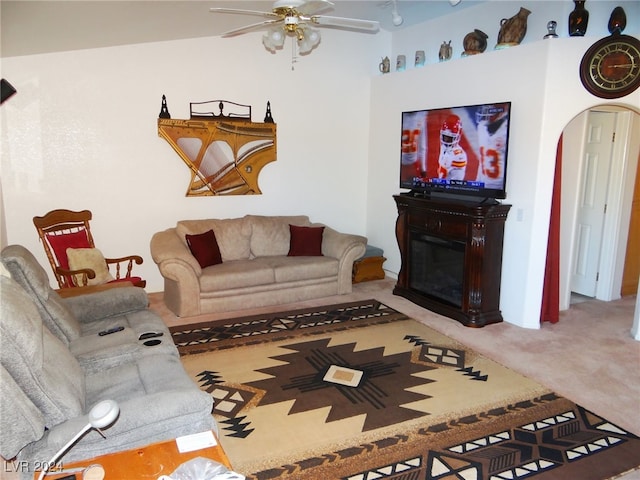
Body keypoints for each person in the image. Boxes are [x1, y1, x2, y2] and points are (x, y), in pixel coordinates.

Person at [476, 105, 508, 189]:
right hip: (483, 186)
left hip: (498, 188)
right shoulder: (481, 127)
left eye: (490, 110)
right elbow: (482, 161)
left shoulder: (506, 132)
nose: (486, 113)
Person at [437, 114, 467, 180]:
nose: (446, 141)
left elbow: (456, 184)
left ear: (457, 137)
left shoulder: (459, 156)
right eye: (445, 137)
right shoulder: (444, 147)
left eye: (449, 138)